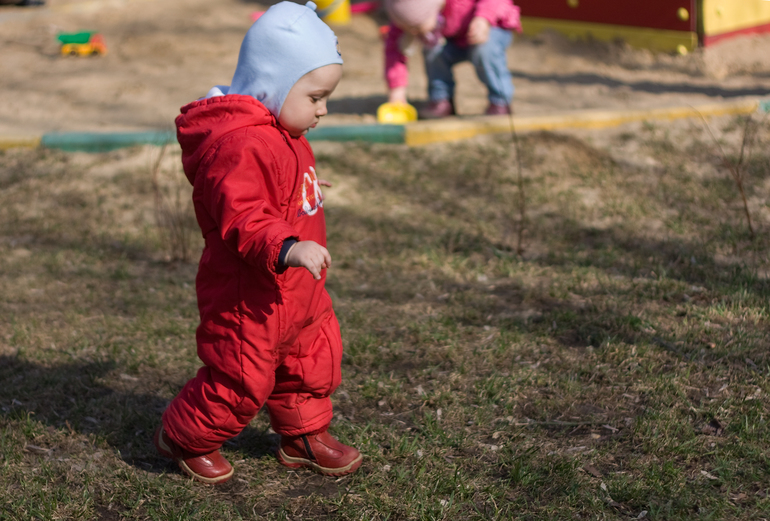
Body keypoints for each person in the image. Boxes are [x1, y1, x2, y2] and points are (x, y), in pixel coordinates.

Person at [153, 0, 362, 484]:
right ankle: (185, 436)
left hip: (297, 289)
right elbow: (242, 216)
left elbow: (275, 185)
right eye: (315, 96)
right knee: (241, 375)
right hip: (251, 294)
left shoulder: (281, 131)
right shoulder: (240, 144)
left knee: (311, 360)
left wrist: (303, 188)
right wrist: (288, 246)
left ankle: (303, 435)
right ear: (275, 84)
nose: (323, 109)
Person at [383, 0, 521, 118]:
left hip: (490, 27)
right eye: (407, 29)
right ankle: (441, 100)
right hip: (453, 39)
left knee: (486, 51)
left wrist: (484, 18)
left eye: (416, 28)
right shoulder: (404, 13)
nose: (413, 33)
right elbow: (394, 52)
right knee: (433, 49)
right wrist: (397, 94)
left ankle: (500, 102)